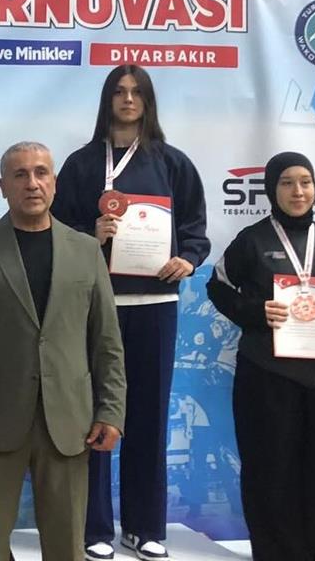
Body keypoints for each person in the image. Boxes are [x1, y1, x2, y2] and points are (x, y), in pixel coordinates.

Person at [0, 142, 126, 561]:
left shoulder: (86, 250)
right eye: (20, 175)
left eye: (41, 173)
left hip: (70, 422)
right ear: (2, 186)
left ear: (54, 183)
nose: (32, 183)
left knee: (67, 547)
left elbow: (107, 341)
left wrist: (111, 410)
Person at [51, 64, 208, 561]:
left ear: (148, 101)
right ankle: (92, 525)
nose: (127, 99)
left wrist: (188, 259)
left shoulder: (172, 163)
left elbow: (196, 230)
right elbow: (55, 229)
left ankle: (144, 526)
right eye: (119, 91)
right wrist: (89, 234)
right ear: (107, 100)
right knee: (93, 415)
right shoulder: (81, 164)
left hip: (154, 305)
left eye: (136, 92)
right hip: (95, 304)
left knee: (148, 416)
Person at [206, 152, 315, 561]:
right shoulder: (252, 240)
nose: (298, 191)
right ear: (271, 189)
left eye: (305, 182)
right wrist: (253, 311)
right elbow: (218, 288)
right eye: (287, 183)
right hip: (266, 373)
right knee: (269, 468)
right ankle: (275, 552)